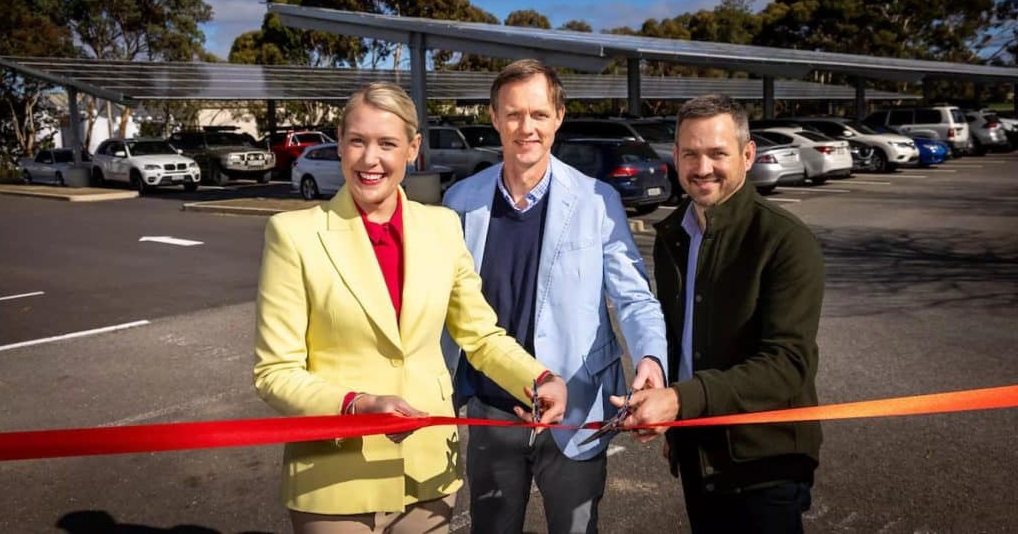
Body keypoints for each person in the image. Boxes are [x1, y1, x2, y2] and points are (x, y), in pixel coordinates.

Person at [253, 82, 567, 534]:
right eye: (357, 141)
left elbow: (481, 337)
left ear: (413, 148)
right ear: (339, 143)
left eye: (387, 144)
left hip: (428, 472)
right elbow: (275, 372)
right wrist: (356, 405)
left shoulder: (441, 227)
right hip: (336, 476)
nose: (369, 159)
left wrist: (539, 380)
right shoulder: (293, 235)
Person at [441, 59, 668, 534]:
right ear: (494, 117)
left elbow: (633, 298)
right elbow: (440, 307)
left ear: (559, 116)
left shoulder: (596, 199)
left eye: (539, 114)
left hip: (580, 409)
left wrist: (651, 357)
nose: (527, 128)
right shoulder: (461, 201)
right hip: (492, 412)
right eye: (514, 114)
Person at [615, 94, 824, 534]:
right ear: (674, 157)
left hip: (764, 467)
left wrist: (678, 401)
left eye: (717, 153)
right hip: (698, 458)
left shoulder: (785, 241)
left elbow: (788, 365)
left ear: (748, 155)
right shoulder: (675, 236)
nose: (702, 166)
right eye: (690, 153)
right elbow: (681, 340)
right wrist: (671, 415)